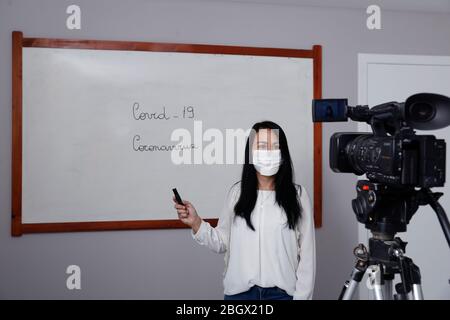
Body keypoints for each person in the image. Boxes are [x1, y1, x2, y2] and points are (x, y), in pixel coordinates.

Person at [173, 121, 316, 300]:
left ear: (283, 153)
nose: (268, 152)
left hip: (282, 295)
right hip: (239, 296)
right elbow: (222, 242)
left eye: (275, 147)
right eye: (262, 146)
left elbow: (307, 258)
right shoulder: (236, 194)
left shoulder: (298, 196)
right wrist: (196, 222)